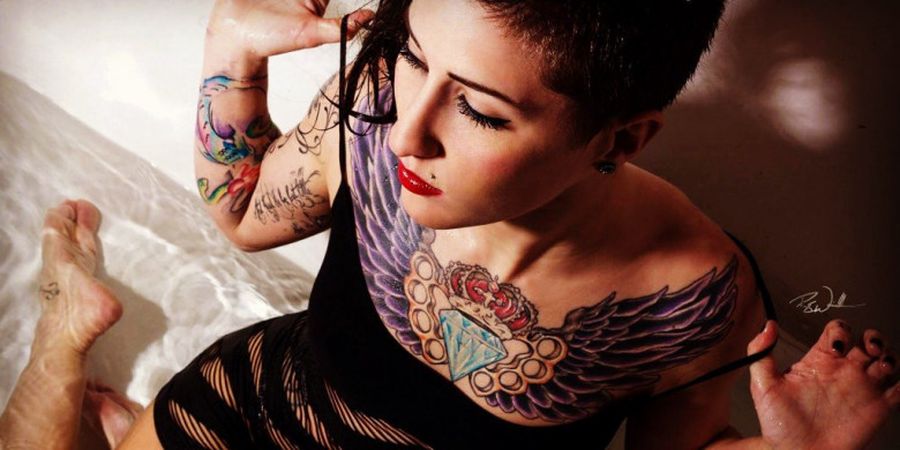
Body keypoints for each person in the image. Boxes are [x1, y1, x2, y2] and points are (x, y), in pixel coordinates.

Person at [0, 0, 897, 448]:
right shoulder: (373, 102)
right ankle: (64, 333)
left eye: (481, 111)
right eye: (411, 55)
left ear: (621, 138)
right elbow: (241, 215)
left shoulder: (691, 296)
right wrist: (230, 47)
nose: (404, 130)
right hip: (262, 409)